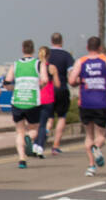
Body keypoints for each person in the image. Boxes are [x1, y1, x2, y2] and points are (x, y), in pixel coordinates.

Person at [68, 37, 106, 176]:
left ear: (87, 47)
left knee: (89, 135)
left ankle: (91, 166)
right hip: (101, 101)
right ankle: (96, 148)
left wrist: (80, 82)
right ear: (100, 47)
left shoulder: (81, 61)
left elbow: (72, 80)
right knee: (101, 134)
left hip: (85, 102)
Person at [4, 39, 46, 169]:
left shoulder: (15, 65)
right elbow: (44, 80)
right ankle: (29, 138)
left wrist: (13, 88)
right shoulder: (39, 64)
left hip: (17, 100)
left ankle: (22, 159)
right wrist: (39, 86)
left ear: (22, 50)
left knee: (19, 131)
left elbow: (7, 82)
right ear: (33, 50)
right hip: (32, 100)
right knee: (34, 129)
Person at [46, 33, 74, 155]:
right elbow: (71, 73)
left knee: (49, 117)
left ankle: (44, 136)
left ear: (51, 41)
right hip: (62, 88)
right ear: (61, 41)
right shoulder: (67, 56)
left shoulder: (46, 55)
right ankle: (56, 145)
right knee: (62, 117)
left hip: (48, 90)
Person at [33, 45, 59, 157]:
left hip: (36, 97)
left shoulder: (34, 67)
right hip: (48, 98)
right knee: (43, 124)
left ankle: (34, 145)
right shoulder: (52, 68)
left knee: (35, 124)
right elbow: (58, 84)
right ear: (48, 55)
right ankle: (40, 147)